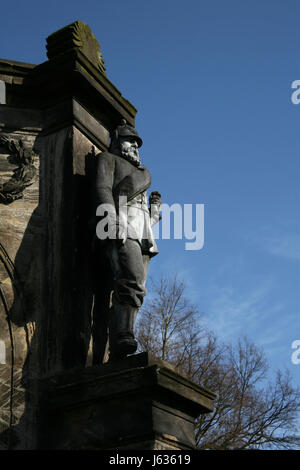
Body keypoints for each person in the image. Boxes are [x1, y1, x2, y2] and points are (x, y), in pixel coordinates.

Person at [92, 119, 161, 361]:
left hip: (142, 231)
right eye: (131, 141)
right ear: (118, 142)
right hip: (121, 224)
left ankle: (121, 337)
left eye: (137, 143)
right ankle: (123, 335)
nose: (135, 147)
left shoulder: (140, 171)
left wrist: (152, 218)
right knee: (130, 279)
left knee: (138, 288)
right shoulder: (107, 160)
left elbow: (139, 208)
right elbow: (102, 188)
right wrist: (111, 216)